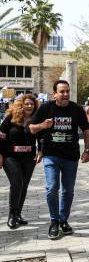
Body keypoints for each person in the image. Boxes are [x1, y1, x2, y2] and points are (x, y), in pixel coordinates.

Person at [28, 80, 89, 240]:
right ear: (54, 93)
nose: (65, 94)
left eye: (67, 91)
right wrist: (43, 125)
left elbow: (87, 130)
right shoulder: (46, 108)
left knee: (68, 191)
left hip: (71, 157)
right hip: (51, 155)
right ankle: (54, 221)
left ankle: (63, 220)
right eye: (62, 92)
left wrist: (87, 150)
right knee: (52, 188)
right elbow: (30, 128)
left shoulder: (76, 109)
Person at [0, 95, 42, 229]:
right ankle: (11, 215)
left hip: (29, 158)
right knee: (17, 183)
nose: (30, 106)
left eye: (32, 104)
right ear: (21, 105)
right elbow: (1, 136)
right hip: (10, 157)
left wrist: (41, 151)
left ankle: (18, 214)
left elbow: (42, 138)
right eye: (27, 104)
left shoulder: (36, 120)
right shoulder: (11, 118)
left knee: (24, 186)